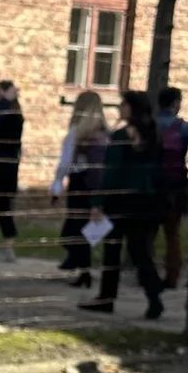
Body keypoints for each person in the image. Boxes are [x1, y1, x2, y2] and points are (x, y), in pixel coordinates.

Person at [82, 91, 166, 319]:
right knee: (140, 252)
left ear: (132, 108)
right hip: (146, 201)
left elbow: (111, 173)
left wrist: (98, 202)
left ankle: (106, 298)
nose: (120, 108)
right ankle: (153, 295)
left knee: (112, 250)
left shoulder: (121, 136)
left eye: (123, 104)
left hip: (119, 201)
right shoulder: (155, 135)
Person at [53, 90, 111, 288]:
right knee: (88, 229)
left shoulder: (77, 133)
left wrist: (57, 184)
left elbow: (65, 163)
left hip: (80, 182)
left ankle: (82, 268)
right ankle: (81, 266)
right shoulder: (106, 134)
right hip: (99, 185)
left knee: (76, 229)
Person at [155, 87, 188, 288]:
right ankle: (172, 275)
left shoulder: (151, 125)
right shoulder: (183, 127)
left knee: (147, 231)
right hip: (175, 185)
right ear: (175, 103)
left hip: (151, 185)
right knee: (172, 233)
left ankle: (145, 272)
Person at [0, 80, 25, 263]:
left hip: (1, 167)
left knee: (0, 206)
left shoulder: (11, 115)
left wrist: (0, 103)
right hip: (1, 166)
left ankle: (8, 247)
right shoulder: (4, 112)